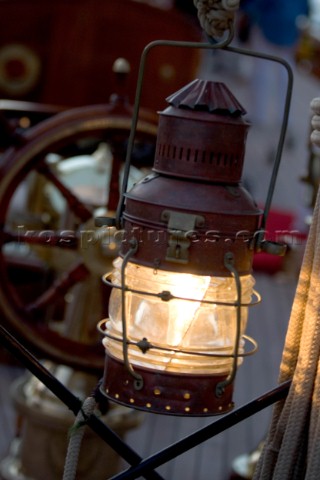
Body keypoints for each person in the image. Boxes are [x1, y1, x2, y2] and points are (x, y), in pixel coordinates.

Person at [238, 0, 309, 132]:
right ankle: (284, 118)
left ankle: (260, 115)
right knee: (285, 76)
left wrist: (245, 14)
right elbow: (304, 12)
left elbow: (254, 6)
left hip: (268, 27)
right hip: (289, 32)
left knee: (262, 73)